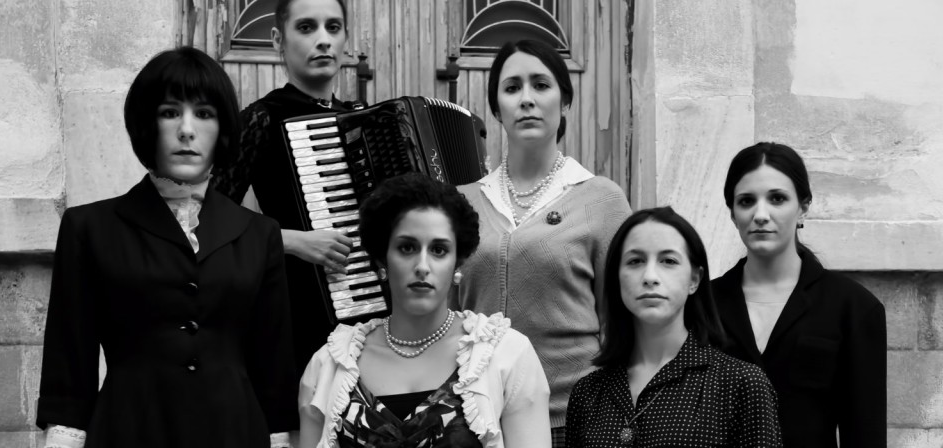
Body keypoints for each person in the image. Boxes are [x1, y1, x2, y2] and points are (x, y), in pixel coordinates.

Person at [35, 47, 297, 448]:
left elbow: (273, 366)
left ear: (223, 129)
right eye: (170, 112)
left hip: (235, 432)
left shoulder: (259, 234)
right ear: (147, 124)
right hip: (128, 430)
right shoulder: (89, 228)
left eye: (204, 114)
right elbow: (69, 365)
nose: (187, 130)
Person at [452, 39, 632, 446]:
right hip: (478, 418)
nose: (527, 99)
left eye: (541, 85)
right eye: (512, 88)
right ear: (496, 108)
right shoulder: (462, 202)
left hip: (575, 421)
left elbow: (621, 320)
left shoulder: (601, 199)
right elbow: (447, 313)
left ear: (564, 101)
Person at [298, 173, 551, 448]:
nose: (422, 266)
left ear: (457, 264)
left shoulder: (506, 354)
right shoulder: (329, 364)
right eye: (407, 248)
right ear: (382, 259)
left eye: (439, 250)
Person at [212, 0, 357, 375]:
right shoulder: (261, 119)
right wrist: (293, 241)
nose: (323, 40)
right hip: (292, 314)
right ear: (278, 39)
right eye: (307, 27)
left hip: (364, 317)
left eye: (333, 27)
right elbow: (206, 223)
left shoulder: (363, 120)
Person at [711, 142, 887, 448]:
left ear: (803, 207)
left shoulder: (854, 307)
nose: (761, 214)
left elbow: (865, 433)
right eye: (747, 201)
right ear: (732, 213)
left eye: (777, 199)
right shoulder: (702, 306)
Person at [565, 207, 783, 447]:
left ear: (694, 279)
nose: (650, 276)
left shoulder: (741, 385)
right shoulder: (588, 393)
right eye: (635, 261)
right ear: (616, 277)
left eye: (668, 261)